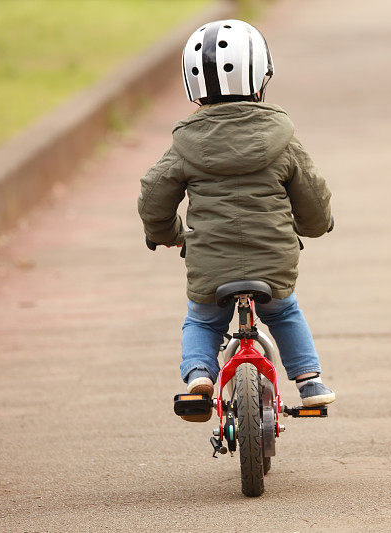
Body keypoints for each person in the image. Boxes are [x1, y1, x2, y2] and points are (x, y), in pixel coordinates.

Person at [137, 19, 335, 412]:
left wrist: (168, 232)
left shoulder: (185, 145)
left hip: (210, 264)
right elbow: (312, 198)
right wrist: (313, 227)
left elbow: (153, 196)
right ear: (261, 75)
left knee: (203, 321)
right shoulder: (283, 139)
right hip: (273, 260)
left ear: (193, 84)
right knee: (284, 311)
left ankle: (198, 375)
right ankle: (310, 381)